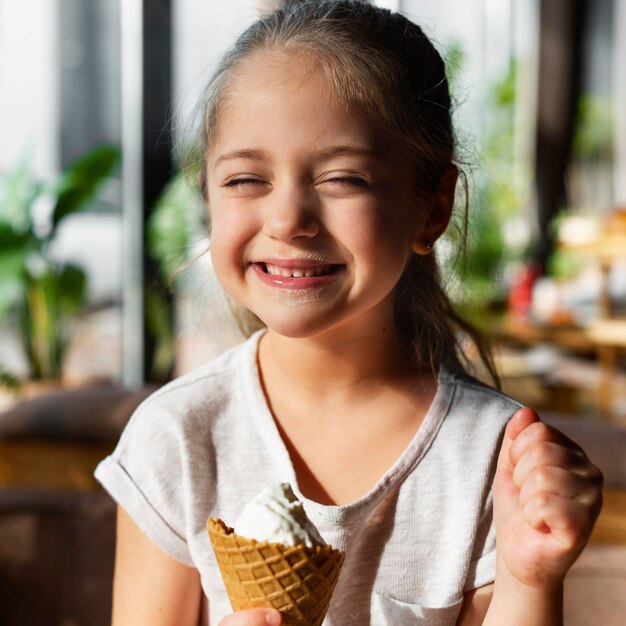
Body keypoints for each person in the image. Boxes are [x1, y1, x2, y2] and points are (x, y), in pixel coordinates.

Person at [95, 1, 603, 624]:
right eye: (246, 180)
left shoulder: (495, 461)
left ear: (431, 207)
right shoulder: (176, 440)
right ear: (206, 192)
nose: (287, 220)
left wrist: (530, 578)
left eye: (343, 179)